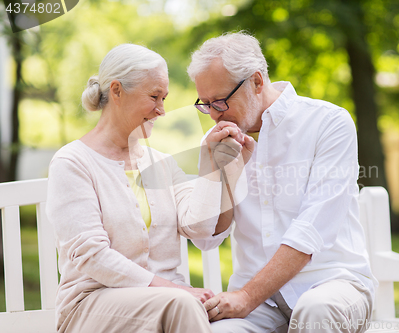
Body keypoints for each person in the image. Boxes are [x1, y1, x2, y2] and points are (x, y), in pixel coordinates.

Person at [46, 43, 253, 333]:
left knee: (230, 321)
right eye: (154, 97)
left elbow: (201, 228)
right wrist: (172, 290)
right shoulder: (72, 163)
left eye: (165, 98)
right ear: (116, 91)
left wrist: (211, 162)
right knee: (184, 306)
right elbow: (91, 254)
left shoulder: (162, 164)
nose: (162, 110)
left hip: (169, 303)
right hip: (91, 304)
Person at [187, 32, 378, 333]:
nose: (213, 115)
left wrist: (247, 296)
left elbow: (311, 230)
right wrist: (221, 172)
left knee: (315, 312)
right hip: (261, 305)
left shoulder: (329, 123)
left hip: (333, 285)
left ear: (257, 82)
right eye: (206, 103)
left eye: (221, 101)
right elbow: (207, 239)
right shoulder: (217, 142)